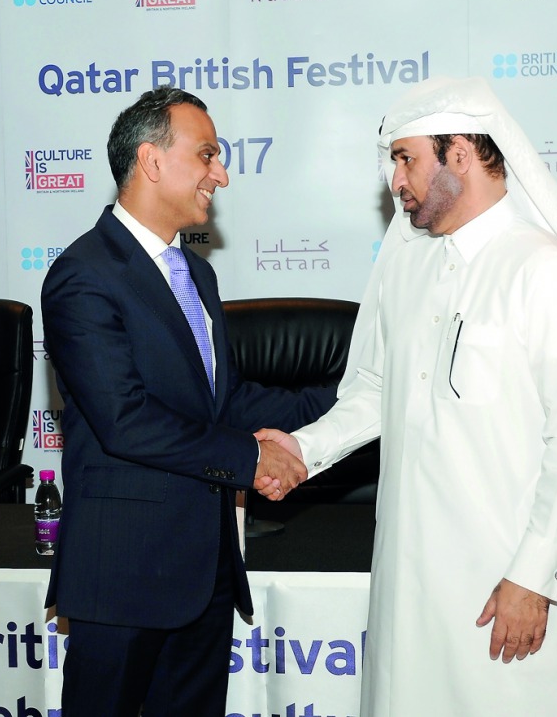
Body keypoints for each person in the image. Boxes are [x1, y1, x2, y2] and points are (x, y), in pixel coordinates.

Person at [257, 76, 557, 716]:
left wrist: (532, 580)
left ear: (460, 152)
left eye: (405, 159)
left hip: (507, 584)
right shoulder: (405, 263)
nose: (394, 182)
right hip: (413, 577)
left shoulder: (549, 272)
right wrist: (301, 448)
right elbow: (374, 389)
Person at [41, 85, 336, 716]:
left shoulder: (196, 273)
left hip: (203, 577)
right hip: (122, 578)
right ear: (150, 161)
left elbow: (223, 402)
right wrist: (250, 461)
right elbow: (126, 421)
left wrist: (352, 402)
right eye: (206, 155)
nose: (221, 175)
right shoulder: (83, 275)